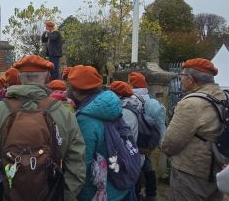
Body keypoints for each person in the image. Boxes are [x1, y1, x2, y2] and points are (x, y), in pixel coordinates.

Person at [0, 55, 86, 200]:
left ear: (19, 78)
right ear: (48, 78)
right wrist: (65, 196)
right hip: (50, 193)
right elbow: (77, 165)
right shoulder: (64, 114)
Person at [161, 58, 225, 201]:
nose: (181, 79)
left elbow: (170, 143)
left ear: (190, 79)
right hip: (217, 170)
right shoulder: (224, 96)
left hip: (191, 173)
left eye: (182, 76)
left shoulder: (190, 104)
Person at [67, 65, 128, 201]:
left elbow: (82, 163)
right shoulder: (110, 105)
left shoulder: (85, 119)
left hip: (98, 192)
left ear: (76, 91)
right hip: (119, 182)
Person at [128, 72, 165, 201]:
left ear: (130, 84)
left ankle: (136, 194)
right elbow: (161, 128)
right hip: (148, 142)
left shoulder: (128, 100)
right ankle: (151, 192)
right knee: (147, 164)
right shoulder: (155, 104)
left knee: (135, 166)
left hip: (133, 141)